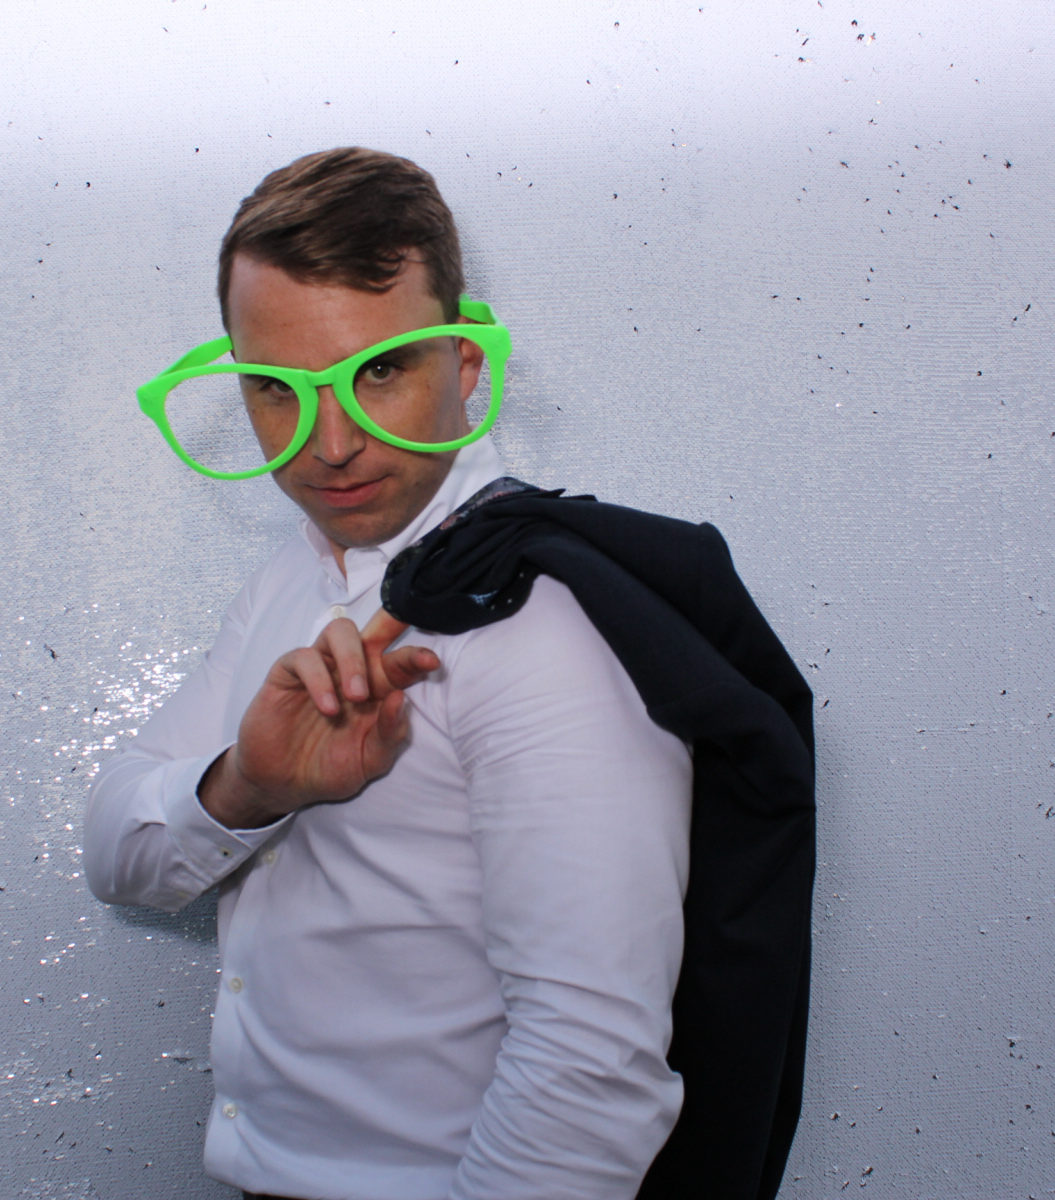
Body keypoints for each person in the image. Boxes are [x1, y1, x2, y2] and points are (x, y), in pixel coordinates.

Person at [83, 147, 694, 1200]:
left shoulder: (539, 616)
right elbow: (116, 850)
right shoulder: (295, 575)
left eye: (377, 372)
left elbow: (590, 1066)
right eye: (276, 388)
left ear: (463, 366)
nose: (330, 444)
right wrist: (247, 788)